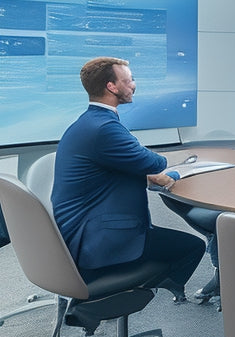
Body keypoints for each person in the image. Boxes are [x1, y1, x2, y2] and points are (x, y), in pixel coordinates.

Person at [52, 57, 205, 307]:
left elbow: (122, 165)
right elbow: (154, 163)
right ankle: (101, 302)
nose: (134, 85)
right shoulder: (104, 129)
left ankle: (126, 291)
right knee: (191, 247)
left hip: (79, 232)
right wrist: (179, 165)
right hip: (98, 241)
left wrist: (151, 172)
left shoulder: (88, 122)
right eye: (129, 80)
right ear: (111, 86)